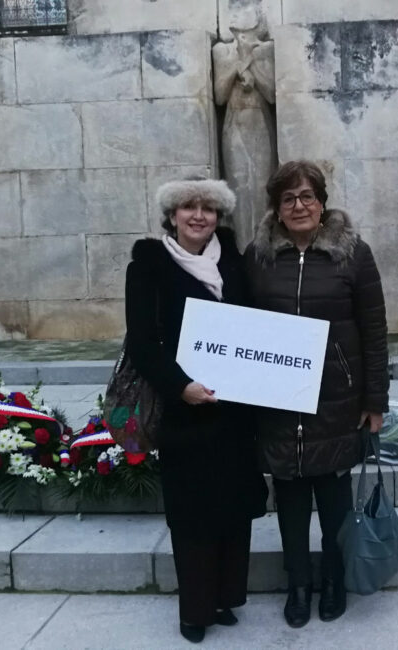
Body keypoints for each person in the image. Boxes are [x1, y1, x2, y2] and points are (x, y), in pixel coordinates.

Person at [244, 160, 390, 627]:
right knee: (288, 498)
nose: (299, 205)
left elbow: (374, 329)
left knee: (333, 499)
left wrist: (375, 400)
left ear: (322, 203)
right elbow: (241, 326)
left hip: (336, 399)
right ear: (277, 209)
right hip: (279, 400)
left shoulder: (353, 254)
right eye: (288, 198)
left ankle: (331, 578)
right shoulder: (259, 257)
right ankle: (298, 584)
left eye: (308, 196)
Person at [125, 177, 268, 644]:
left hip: (233, 411)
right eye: (188, 206)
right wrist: (180, 387)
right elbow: (143, 342)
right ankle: (195, 611)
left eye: (208, 207)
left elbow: (255, 326)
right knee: (192, 513)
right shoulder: (148, 265)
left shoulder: (233, 261)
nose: (198, 215)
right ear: (172, 215)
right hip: (184, 412)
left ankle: (225, 598)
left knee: (233, 506)